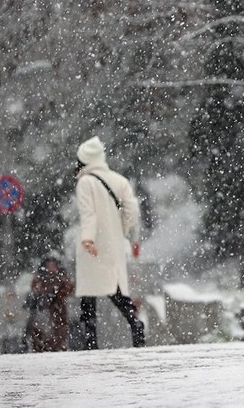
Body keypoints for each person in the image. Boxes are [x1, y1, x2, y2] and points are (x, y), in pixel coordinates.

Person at [74, 136, 146, 349]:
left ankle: (91, 341)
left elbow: (89, 214)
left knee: (89, 294)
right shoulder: (119, 180)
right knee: (114, 288)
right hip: (113, 244)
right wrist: (120, 230)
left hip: (93, 245)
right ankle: (135, 324)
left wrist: (88, 238)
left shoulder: (85, 182)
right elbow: (132, 211)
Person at [24, 253, 74, 352]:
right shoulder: (40, 277)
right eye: (49, 265)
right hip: (42, 308)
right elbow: (35, 288)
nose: (51, 267)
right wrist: (44, 295)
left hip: (58, 309)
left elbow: (69, 288)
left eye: (53, 264)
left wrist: (57, 295)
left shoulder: (62, 277)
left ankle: (57, 348)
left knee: (59, 332)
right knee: (39, 331)